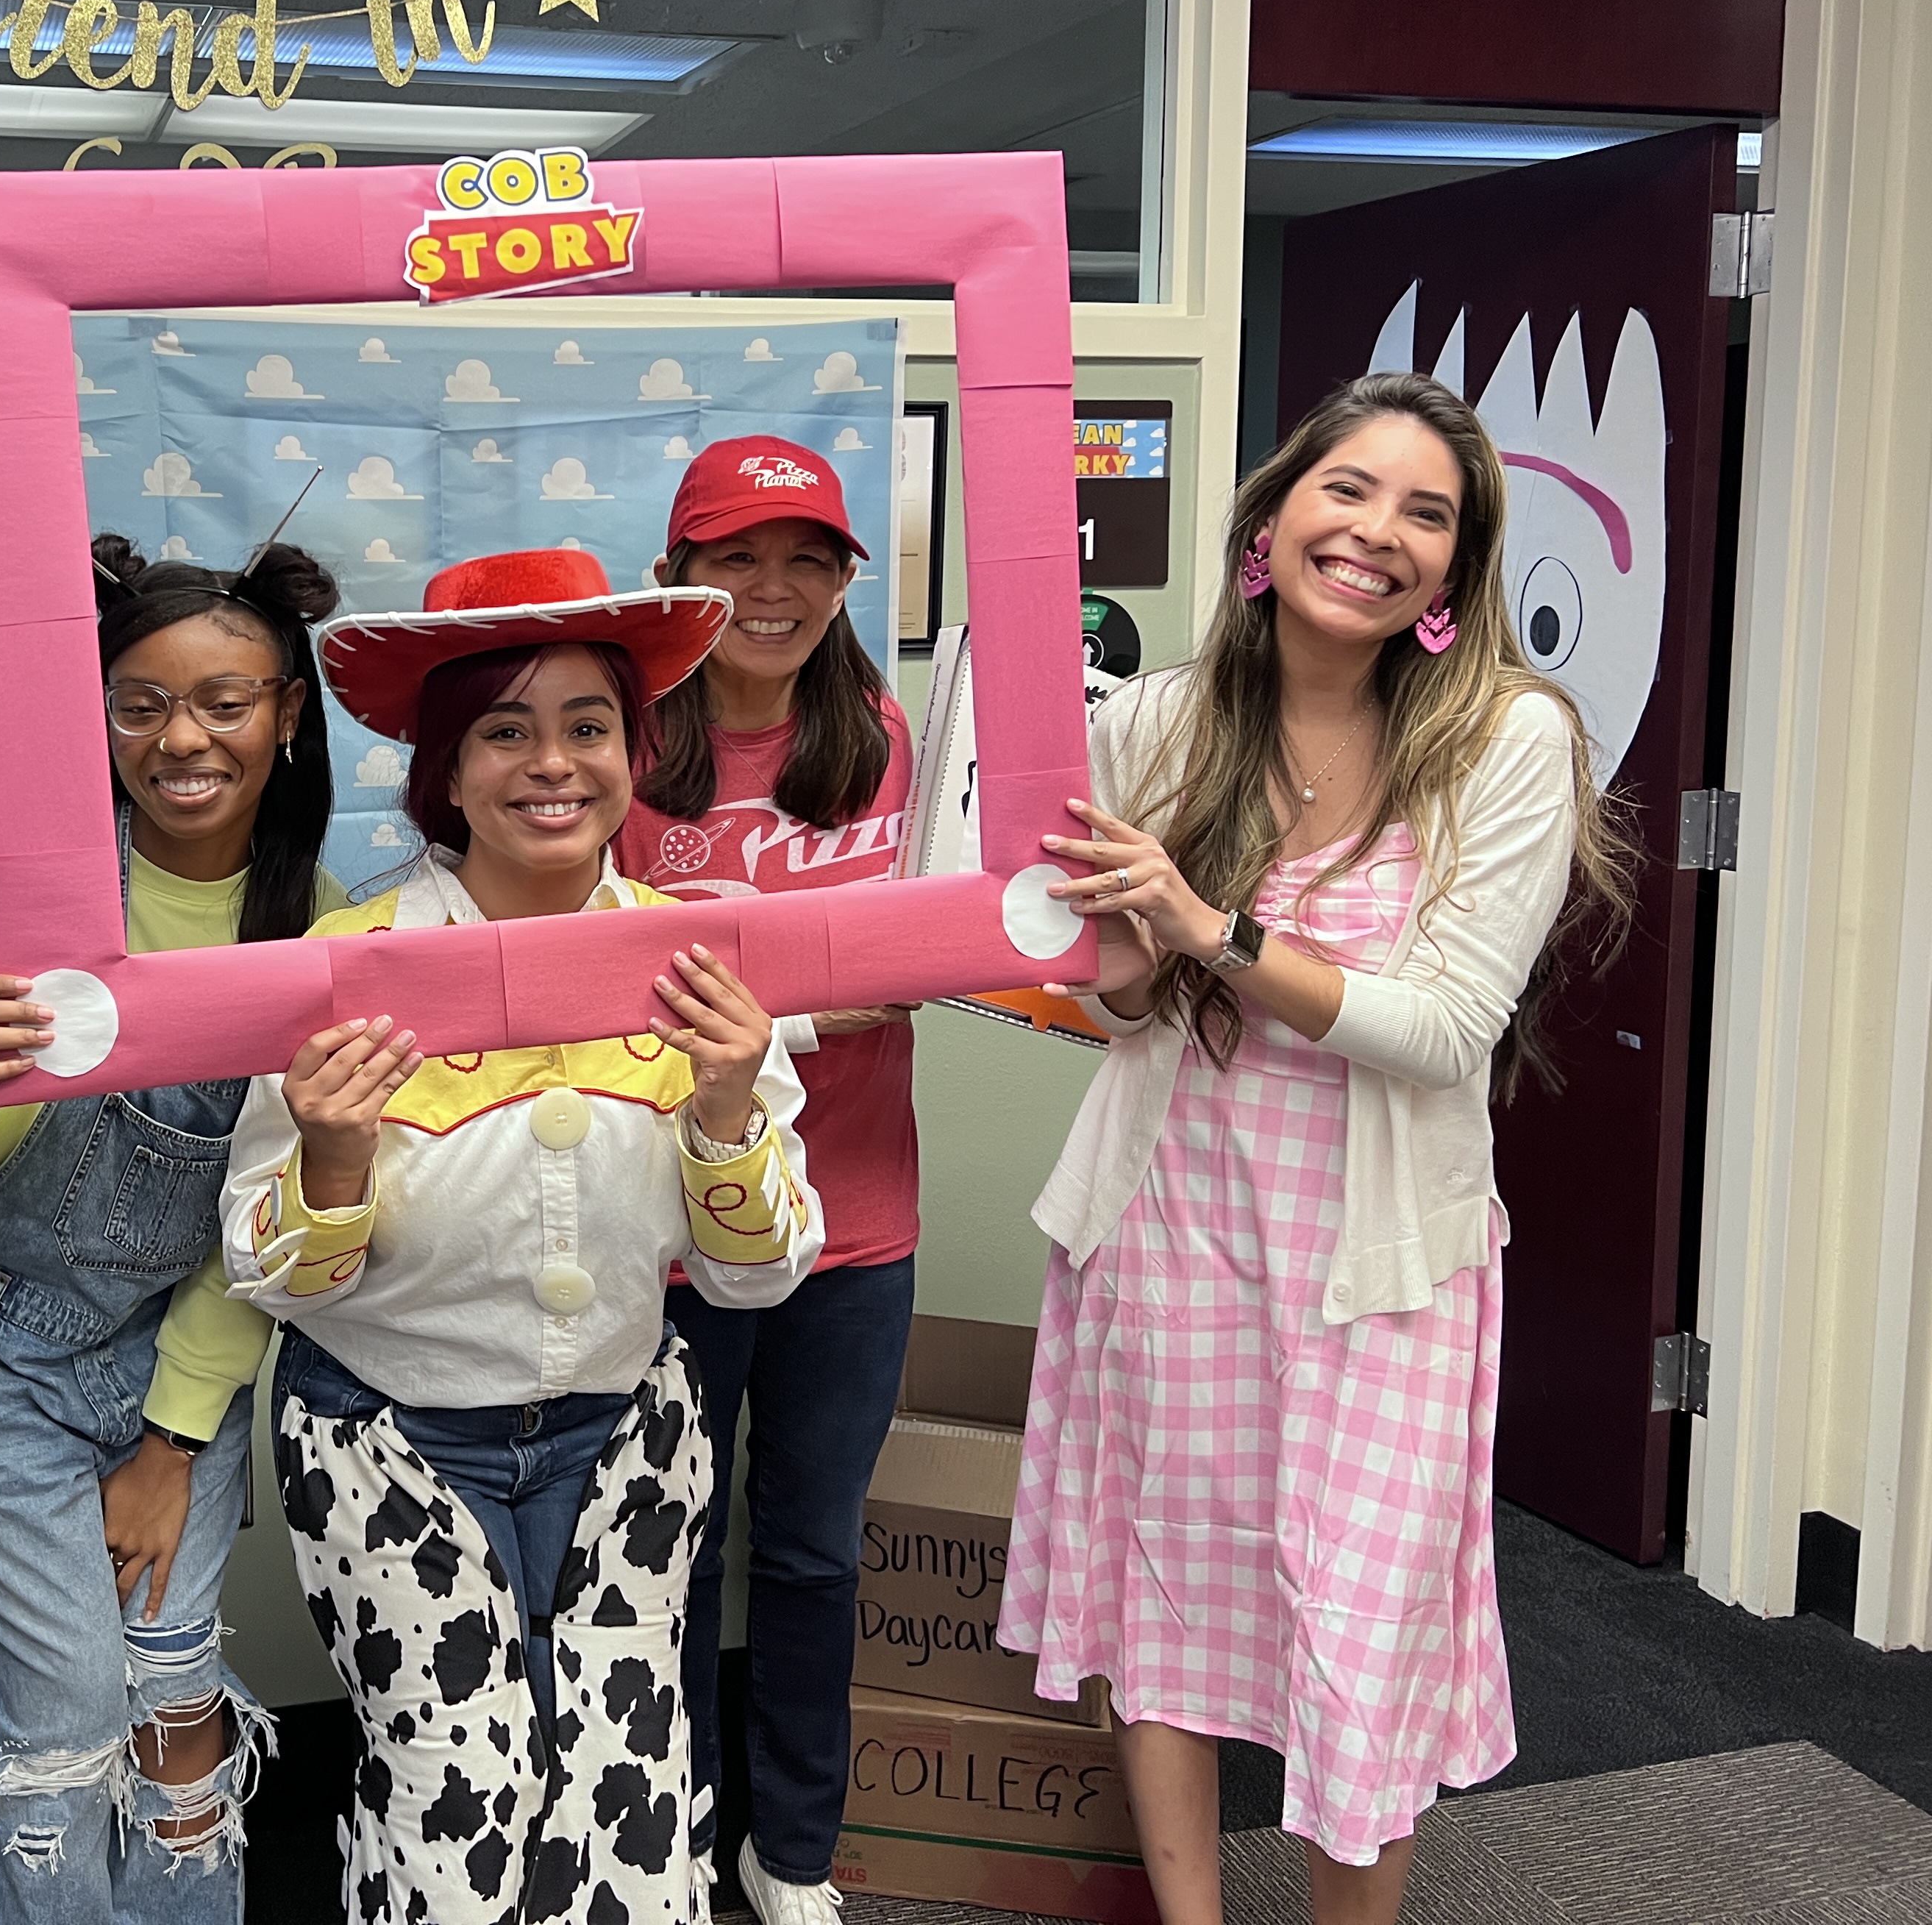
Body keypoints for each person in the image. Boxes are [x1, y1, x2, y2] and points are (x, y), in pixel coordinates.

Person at [1002, 372, 1633, 1925]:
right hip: (1172, 1220)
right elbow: (1110, 989)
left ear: (1455, 576)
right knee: (1167, 1593)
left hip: (1379, 1266)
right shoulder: (1154, 721)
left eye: (1431, 514)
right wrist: (1128, 945)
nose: (1380, 533)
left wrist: (1209, 925)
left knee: (1361, 1622)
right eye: (1350, 490)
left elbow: (1441, 1030)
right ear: (1272, 518)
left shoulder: (1506, 744)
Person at [224, 547, 823, 1925]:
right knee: (451, 1795)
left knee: (630, 1783)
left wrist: (726, 1104)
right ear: (445, 767)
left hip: (622, 1426)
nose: (551, 763)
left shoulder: (705, 966)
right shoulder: (349, 970)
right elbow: (265, 1271)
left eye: (587, 725)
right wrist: (329, 1153)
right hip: (386, 1433)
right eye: (505, 728)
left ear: (634, 749)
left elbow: (757, 1267)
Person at [0, 533, 345, 1922]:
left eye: (225, 700)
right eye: (138, 703)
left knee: (176, 1688)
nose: (181, 736)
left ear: (288, 710)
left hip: (172, 1357)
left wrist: (171, 1438)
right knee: (62, 1721)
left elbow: (271, 1227)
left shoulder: (314, 927)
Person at [612, 436, 920, 1924]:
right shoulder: (616, 741)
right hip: (665, 1230)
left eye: (809, 557)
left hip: (856, 1227)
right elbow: (592, 980)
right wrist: (816, 979)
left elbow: (944, 955)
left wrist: (746, 979)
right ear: (681, 569)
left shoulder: (894, 738)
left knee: (806, 1552)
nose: (774, 589)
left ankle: (791, 1850)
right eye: (737, 555)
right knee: (659, 1551)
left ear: (848, 578)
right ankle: (666, 1829)